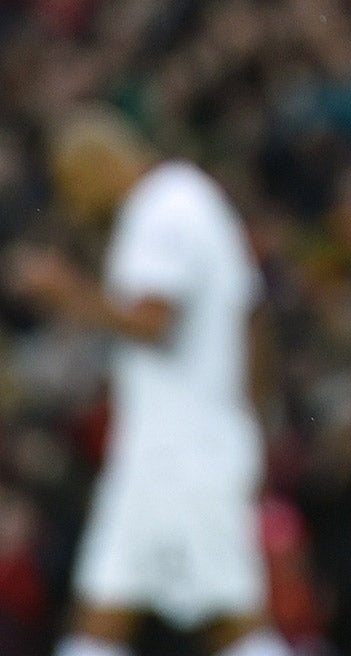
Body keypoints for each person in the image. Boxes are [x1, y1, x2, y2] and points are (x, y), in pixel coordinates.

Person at [6, 106, 285, 656]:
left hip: (181, 454)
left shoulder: (158, 208)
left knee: (231, 623)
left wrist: (67, 292)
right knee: (105, 613)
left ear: (94, 166)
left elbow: (154, 321)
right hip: (179, 447)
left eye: (72, 185)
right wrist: (251, 424)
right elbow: (255, 321)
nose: (76, 203)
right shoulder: (195, 197)